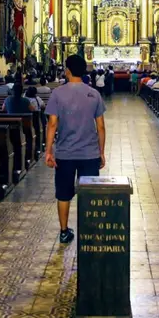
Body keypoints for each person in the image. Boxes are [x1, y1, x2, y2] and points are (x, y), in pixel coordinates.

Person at [45, 55, 106, 244]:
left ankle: (64, 231)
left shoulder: (57, 93)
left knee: (63, 193)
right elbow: (101, 126)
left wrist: (48, 151)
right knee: (89, 192)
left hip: (65, 153)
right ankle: (88, 231)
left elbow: (53, 124)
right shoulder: (94, 94)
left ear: (68, 70)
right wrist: (101, 152)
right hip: (89, 153)